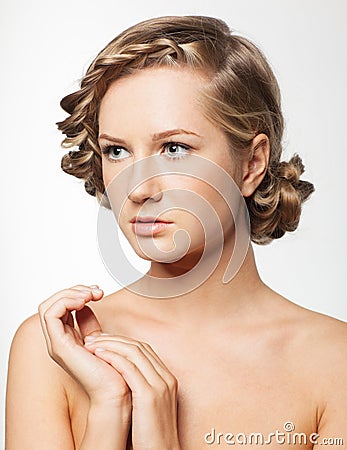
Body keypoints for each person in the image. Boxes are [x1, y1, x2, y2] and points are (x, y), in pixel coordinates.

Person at [5, 15, 347, 450]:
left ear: (252, 164)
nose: (139, 188)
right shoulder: (55, 349)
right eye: (117, 150)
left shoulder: (336, 363)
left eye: (175, 148)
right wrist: (110, 411)